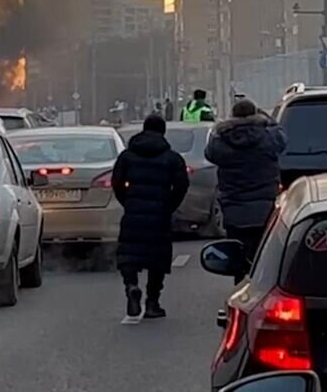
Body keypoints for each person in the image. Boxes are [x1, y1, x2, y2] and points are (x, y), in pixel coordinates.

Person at [111, 114, 190, 323]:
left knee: (128, 253)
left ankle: (131, 285)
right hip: (159, 214)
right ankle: (152, 303)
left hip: (133, 212)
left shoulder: (127, 157)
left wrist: (128, 202)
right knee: (157, 258)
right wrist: (169, 206)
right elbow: (182, 185)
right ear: (163, 132)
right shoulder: (172, 158)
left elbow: (116, 183)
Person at [204, 98, 286, 283]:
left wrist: (219, 129)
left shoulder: (222, 140)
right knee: (264, 252)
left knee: (237, 252)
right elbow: (281, 137)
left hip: (234, 206)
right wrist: (267, 119)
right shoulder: (268, 137)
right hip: (265, 206)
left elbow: (210, 152)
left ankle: (240, 284)